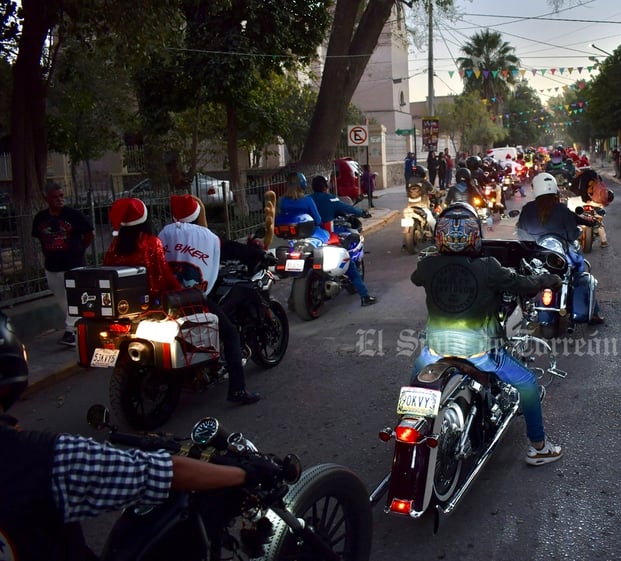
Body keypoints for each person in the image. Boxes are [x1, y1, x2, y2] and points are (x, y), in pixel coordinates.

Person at [0, 309, 281, 560]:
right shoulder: (47, 459)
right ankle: (238, 389)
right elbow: (156, 473)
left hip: (142, 311)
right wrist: (244, 473)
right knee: (228, 330)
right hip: (168, 307)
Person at [410, 202, 565, 466]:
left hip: (435, 350)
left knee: (415, 386)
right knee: (527, 383)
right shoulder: (489, 267)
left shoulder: (429, 267)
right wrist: (546, 280)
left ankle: (411, 428)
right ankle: (539, 447)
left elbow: (417, 276)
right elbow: (523, 284)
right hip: (480, 353)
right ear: (474, 236)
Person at [158, 194, 261, 404]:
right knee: (231, 333)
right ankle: (237, 390)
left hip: (163, 297)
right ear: (197, 214)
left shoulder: (165, 232)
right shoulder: (207, 237)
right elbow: (230, 249)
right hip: (190, 299)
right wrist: (255, 252)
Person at [516, 173, 605, 324]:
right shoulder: (562, 209)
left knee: (521, 273)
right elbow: (572, 235)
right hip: (561, 255)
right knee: (579, 270)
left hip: (535, 255)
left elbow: (520, 234)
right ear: (555, 190)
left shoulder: (527, 209)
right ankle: (594, 312)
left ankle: (523, 307)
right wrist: (579, 232)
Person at [281, 176, 377, 307]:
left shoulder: (283, 201)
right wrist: (362, 212)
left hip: (295, 240)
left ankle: (293, 300)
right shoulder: (314, 199)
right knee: (347, 261)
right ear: (325, 187)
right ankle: (364, 295)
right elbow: (325, 217)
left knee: (301, 268)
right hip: (320, 235)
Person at [31, 182, 94, 346]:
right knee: (62, 300)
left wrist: (80, 249)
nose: (59, 199)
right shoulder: (40, 218)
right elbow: (39, 238)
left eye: (61, 196)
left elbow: (89, 233)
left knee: (73, 298)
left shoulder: (73, 215)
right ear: (46, 198)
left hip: (73, 264)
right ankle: (79, 328)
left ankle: (70, 332)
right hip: (52, 266)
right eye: (55, 197)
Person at [103, 198, 182, 301]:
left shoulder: (116, 243)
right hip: (150, 299)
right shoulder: (152, 242)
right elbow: (163, 271)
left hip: (121, 298)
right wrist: (180, 291)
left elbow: (107, 267)